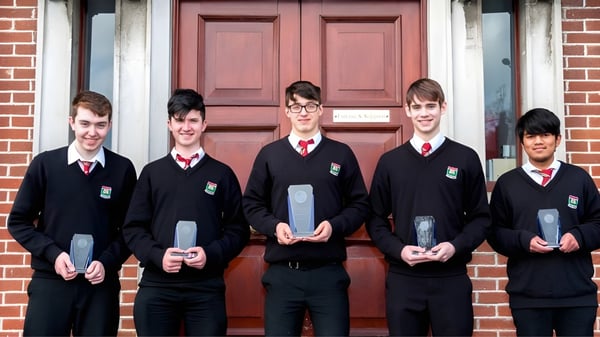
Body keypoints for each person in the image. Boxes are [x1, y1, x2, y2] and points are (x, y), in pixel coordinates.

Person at [242, 80, 370, 336]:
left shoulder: (341, 154)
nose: (303, 113)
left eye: (310, 105)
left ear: (321, 109)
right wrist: (274, 226)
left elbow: (360, 204)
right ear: (287, 111)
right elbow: (251, 204)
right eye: (296, 106)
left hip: (328, 273)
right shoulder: (270, 155)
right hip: (282, 274)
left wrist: (334, 226)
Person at [366, 78, 490, 336]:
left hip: (451, 278)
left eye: (431, 106)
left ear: (443, 107)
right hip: (404, 278)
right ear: (408, 110)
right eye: (417, 107)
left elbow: (480, 218)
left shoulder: (465, 158)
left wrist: (454, 246)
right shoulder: (390, 162)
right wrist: (399, 251)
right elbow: (375, 218)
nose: (424, 113)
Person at [7, 91, 137, 336]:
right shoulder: (45, 165)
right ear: (72, 122)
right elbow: (18, 221)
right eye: (85, 123)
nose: (92, 132)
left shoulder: (123, 169)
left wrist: (107, 262)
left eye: (100, 125)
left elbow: (131, 230)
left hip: (100, 285)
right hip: (51, 282)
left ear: (109, 125)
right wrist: (54, 255)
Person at [122, 88, 250, 336]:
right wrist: (158, 256)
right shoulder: (151, 173)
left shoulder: (222, 174)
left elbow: (238, 229)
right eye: (179, 120)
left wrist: (210, 254)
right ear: (169, 124)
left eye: (193, 120)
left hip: (206, 289)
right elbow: (133, 228)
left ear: (204, 124)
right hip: (157, 287)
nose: (186, 127)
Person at [487, 108, 600, 336]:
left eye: (545, 135)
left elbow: (598, 223)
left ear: (557, 139)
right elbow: (495, 233)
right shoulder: (507, 184)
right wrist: (523, 240)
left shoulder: (579, 179)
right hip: (528, 298)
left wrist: (578, 236)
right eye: (530, 136)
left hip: (577, 296)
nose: (538, 141)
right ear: (522, 142)